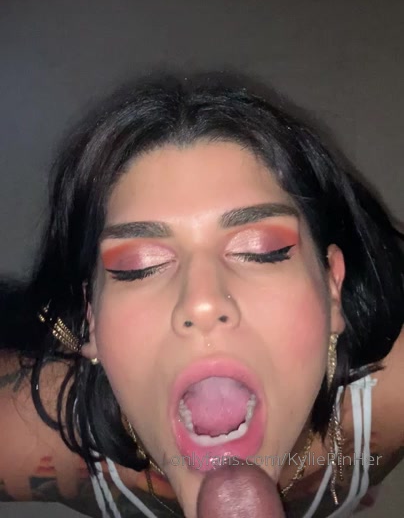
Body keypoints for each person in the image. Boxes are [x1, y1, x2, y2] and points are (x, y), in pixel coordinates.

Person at [0, 70, 403, 518]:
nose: (202, 302)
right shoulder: (26, 437)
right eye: (139, 266)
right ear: (91, 320)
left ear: (332, 289)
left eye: (261, 251)